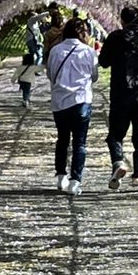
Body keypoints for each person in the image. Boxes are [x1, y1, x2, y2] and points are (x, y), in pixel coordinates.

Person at [98, 4, 138, 193]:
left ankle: (118, 162)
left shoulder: (115, 37)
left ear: (122, 20)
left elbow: (103, 62)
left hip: (121, 92)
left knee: (115, 135)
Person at [47, 19, 100, 196]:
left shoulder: (55, 50)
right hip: (81, 101)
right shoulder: (89, 52)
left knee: (62, 139)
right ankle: (75, 181)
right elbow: (94, 76)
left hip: (60, 102)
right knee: (80, 142)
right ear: (84, 33)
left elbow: (50, 74)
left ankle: (61, 176)